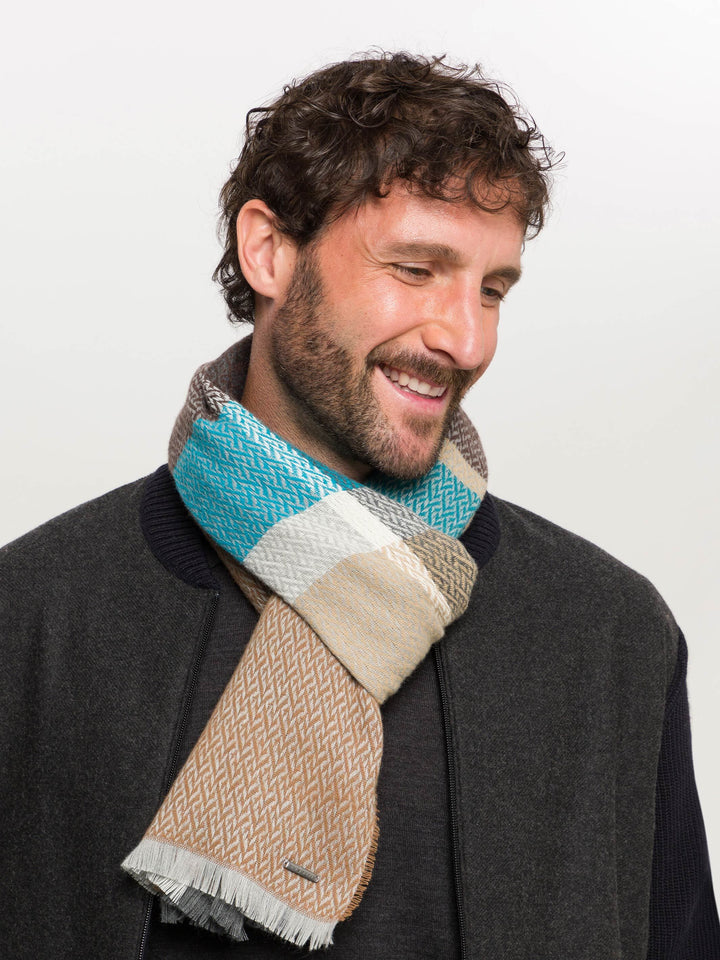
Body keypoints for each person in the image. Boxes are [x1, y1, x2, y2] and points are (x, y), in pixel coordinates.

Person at [0, 52, 717, 960]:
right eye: (416, 269)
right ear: (268, 251)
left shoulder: (608, 633)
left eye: (492, 290)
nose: (467, 339)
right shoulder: (32, 618)